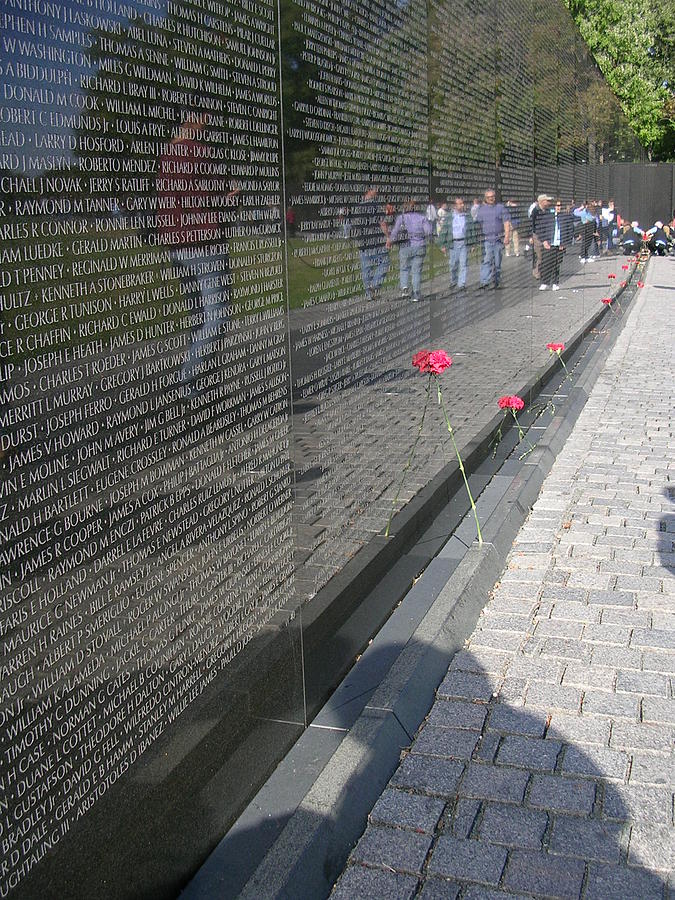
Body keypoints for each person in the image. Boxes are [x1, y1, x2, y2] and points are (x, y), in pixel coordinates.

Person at [157, 109, 238, 393]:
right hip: (204, 242)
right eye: (206, 116)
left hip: (177, 247)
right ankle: (188, 377)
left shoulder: (168, 154)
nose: (210, 121)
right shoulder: (199, 152)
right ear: (197, 117)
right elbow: (208, 199)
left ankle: (200, 384)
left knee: (200, 318)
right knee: (218, 315)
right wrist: (230, 197)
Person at [387, 199, 433, 301]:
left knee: (404, 268)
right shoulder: (422, 218)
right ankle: (416, 294)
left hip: (405, 246)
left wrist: (390, 241)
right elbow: (428, 232)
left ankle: (404, 288)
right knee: (416, 271)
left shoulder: (401, 218)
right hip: (419, 245)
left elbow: (395, 232)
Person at [352, 187, 390, 300]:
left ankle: (369, 294)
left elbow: (355, 225)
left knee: (366, 269)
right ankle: (375, 285)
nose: (377, 191)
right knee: (385, 262)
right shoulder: (375, 205)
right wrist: (388, 237)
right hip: (376, 241)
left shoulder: (358, 207)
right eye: (375, 189)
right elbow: (382, 223)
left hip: (363, 241)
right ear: (369, 190)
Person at [438, 197, 477, 291]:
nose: (462, 205)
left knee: (463, 264)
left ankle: (461, 284)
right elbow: (444, 231)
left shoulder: (467, 216)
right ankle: (453, 281)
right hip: (453, 243)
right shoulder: (449, 217)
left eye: (463, 203)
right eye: (460, 203)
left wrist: (473, 244)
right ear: (455, 206)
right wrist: (442, 244)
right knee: (453, 264)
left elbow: (472, 231)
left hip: (463, 242)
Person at [474, 189, 511, 289]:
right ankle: (484, 282)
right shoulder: (481, 210)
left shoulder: (501, 208)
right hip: (487, 240)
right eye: (489, 197)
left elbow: (506, 223)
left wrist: (507, 236)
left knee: (497, 262)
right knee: (486, 261)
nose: (491, 199)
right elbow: (479, 223)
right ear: (485, 198)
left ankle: (497, 281)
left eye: (492, 196)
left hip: (498, 239)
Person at [536, 198, 574, 291]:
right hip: (549, 243)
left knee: (557, 264)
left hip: (560, 244)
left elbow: (570, 230)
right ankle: (545, 282)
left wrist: (565, 243)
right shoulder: (547, 216)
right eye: (557, 205)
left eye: (560, 205)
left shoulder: (565, 217)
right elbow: (540, 229)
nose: (559, 207)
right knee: (547, 263)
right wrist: (544, 241)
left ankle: (555, 282)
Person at [529, 194, 551, 278]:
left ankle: (543, 271)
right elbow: (531, 224)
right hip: (537, 235)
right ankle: (537, 272)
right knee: (539, 254)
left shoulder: (547, 210)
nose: (549, 202)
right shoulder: (535, 211)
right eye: (547, 200)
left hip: (545, 233)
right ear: (542, 201)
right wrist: (531, 236)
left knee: (544, 254)